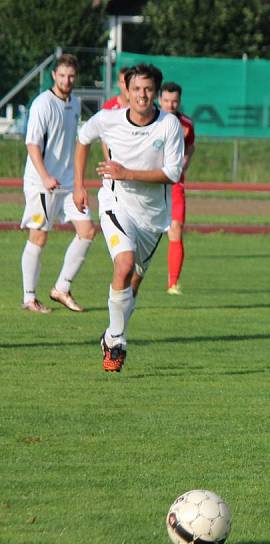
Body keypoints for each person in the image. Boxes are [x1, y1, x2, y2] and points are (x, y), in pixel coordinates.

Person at [74, 63, 184, 372]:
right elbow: (83, 139)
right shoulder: (109, 120)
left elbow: (172, 174)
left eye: (148, 89)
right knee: (122, 265)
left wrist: (127, 172)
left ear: (156, 93)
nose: (142, 95)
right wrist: (79, 185)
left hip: (152, 217)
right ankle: (118, 343)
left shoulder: (169, 125)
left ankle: (110, 334)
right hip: (115, 203)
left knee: (132, 286)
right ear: (126, 90)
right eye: (136, 89)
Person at [20, 53, 96, 313]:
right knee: (39, 238)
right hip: (43, 184)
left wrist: (78, 181)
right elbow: (32, 144)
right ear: (54, 76)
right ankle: (29, 297)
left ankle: (61, 288)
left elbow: (76, 144)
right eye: (62, 75)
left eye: (71, 76)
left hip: (67, 184)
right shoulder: (43, 104)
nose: (66, 80)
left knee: (87, 231)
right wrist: (44, 176)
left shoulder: (74, 103)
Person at [159, 81, 196, 295]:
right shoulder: (152, 122)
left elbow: (191, 145)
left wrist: (184, 162)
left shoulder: (187, 124)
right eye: (166, 101)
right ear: (159, 100)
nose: (170, 105)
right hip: (151, 184)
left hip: (175, 185)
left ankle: (173, 283)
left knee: (176, 230)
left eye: (174, 101)